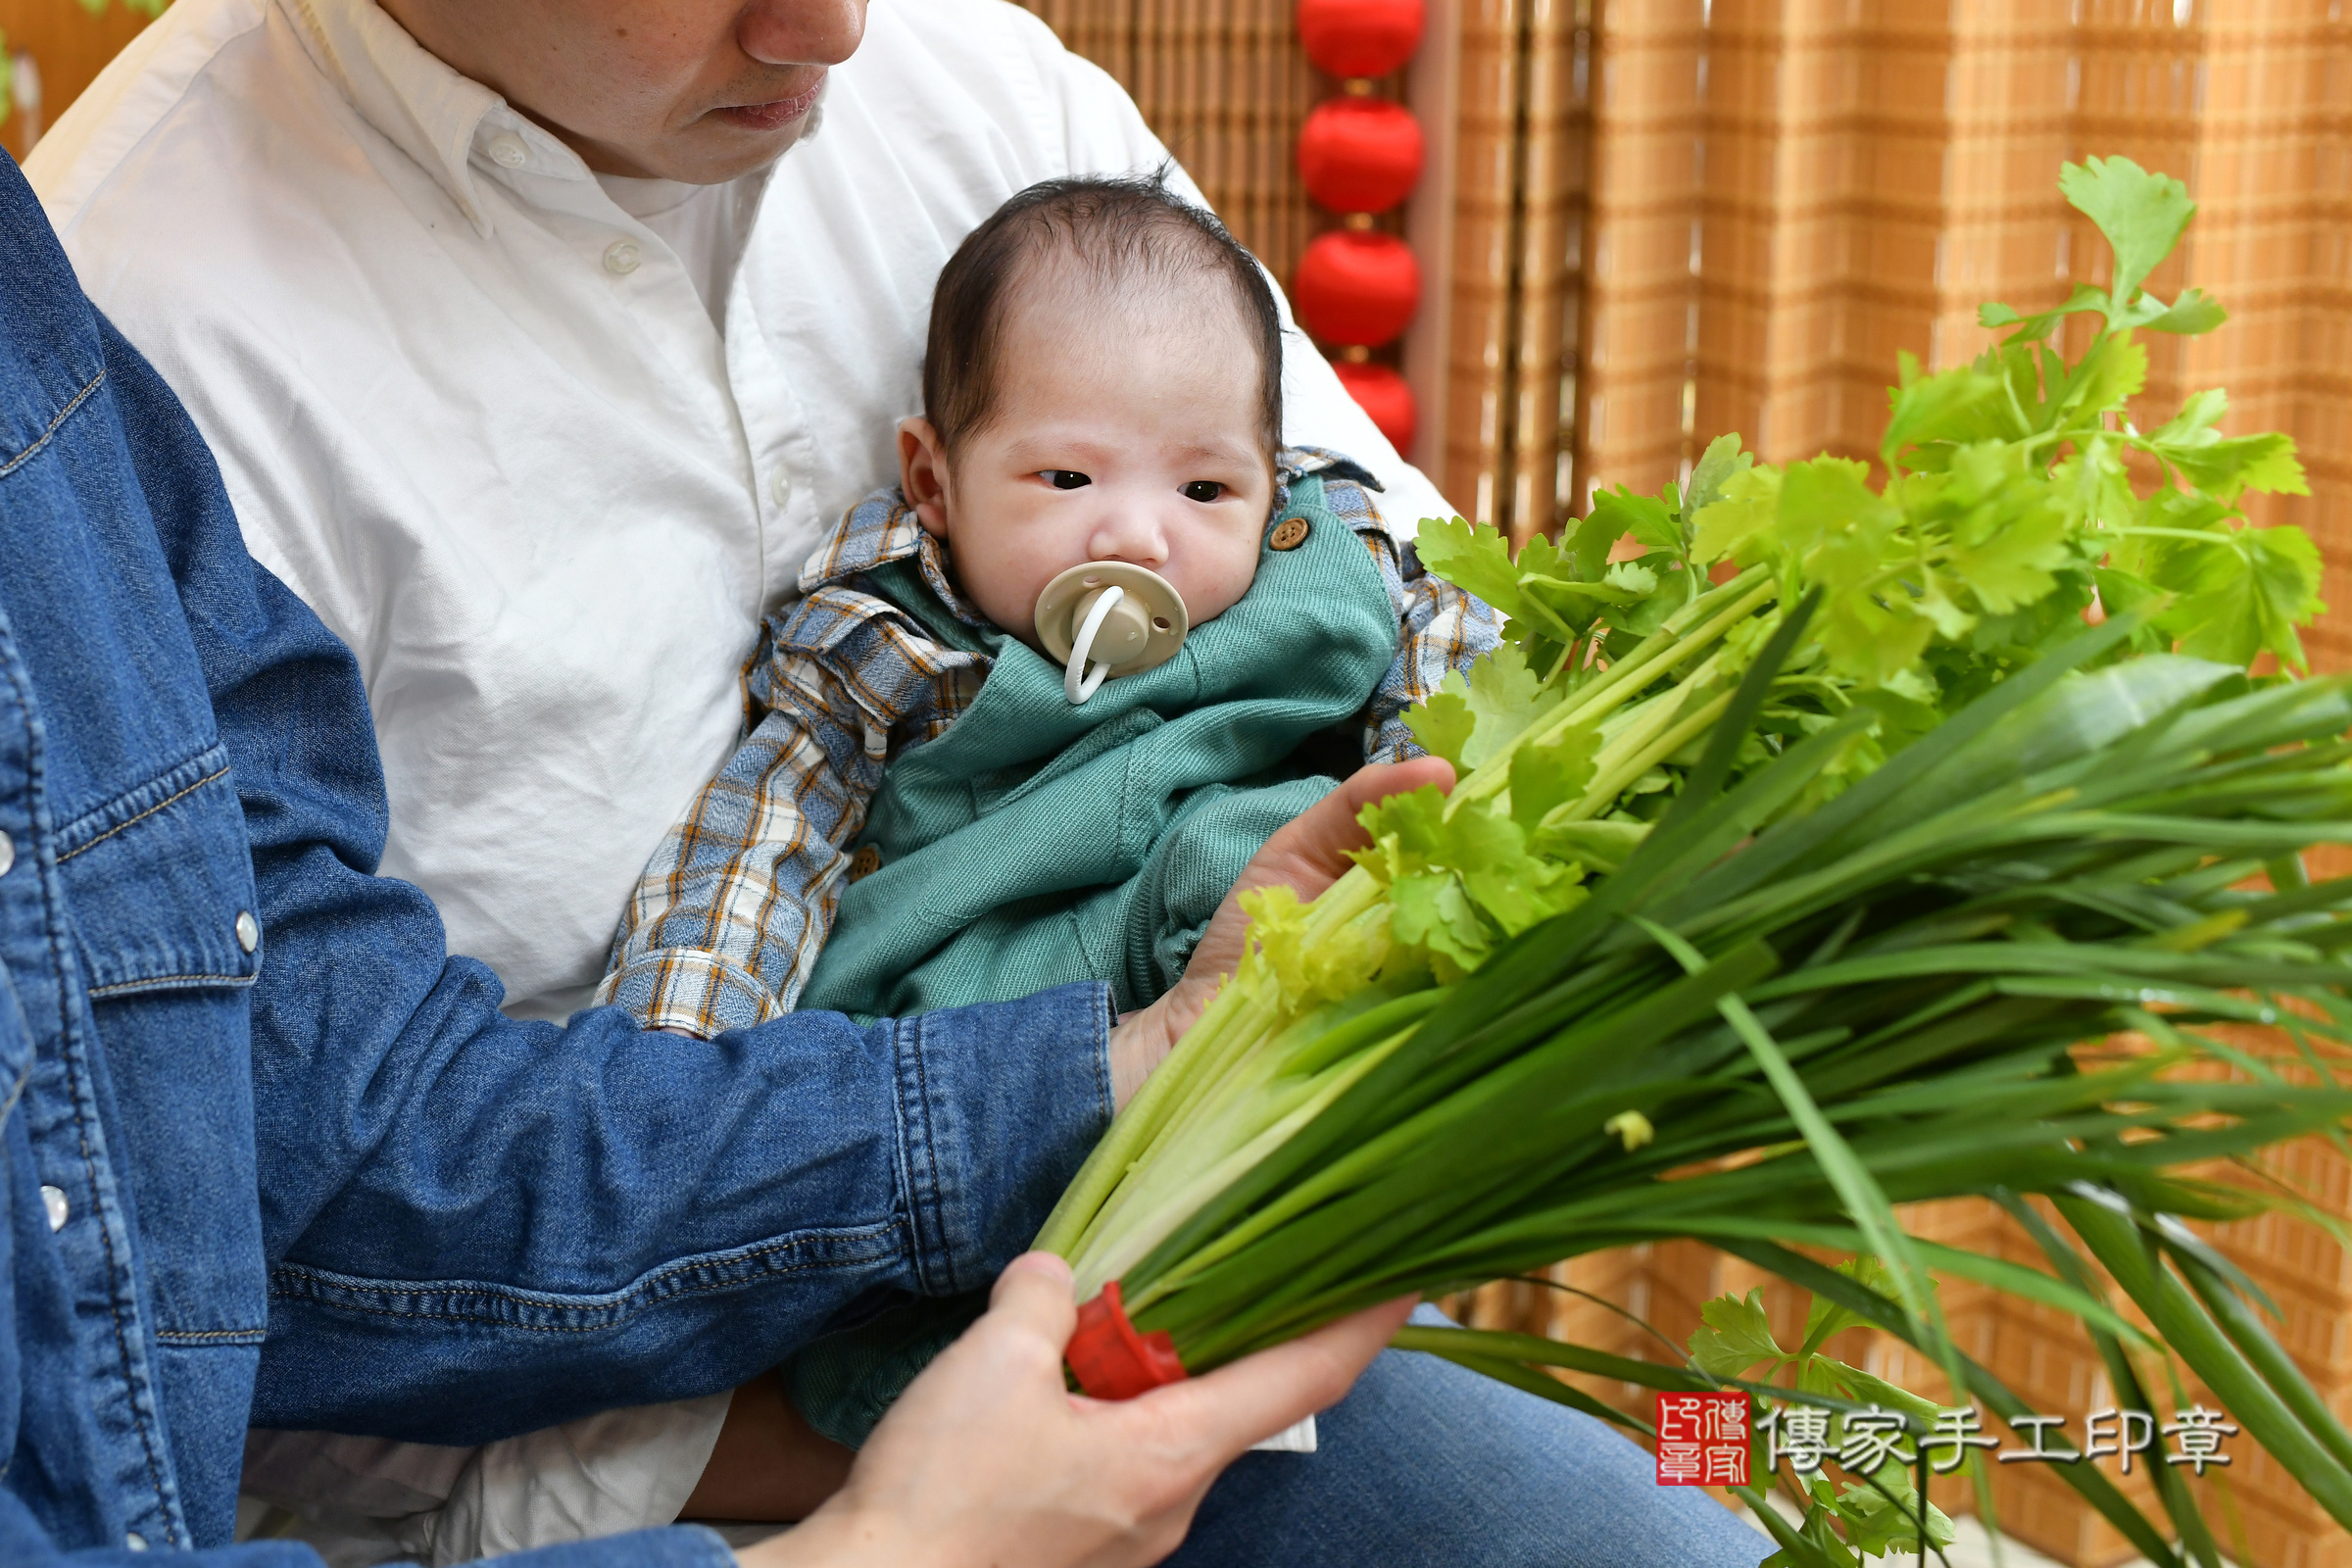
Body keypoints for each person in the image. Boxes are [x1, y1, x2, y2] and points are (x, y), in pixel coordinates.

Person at [25, 0, 1774, 1561]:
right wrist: (918, 1468)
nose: (832, 33)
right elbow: (235, 1258)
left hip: (1192, 1253)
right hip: (650, 1441)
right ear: (927, 478)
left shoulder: (985, 88)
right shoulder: (136, 324)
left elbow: (1396, 587)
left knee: (1684, 1538)